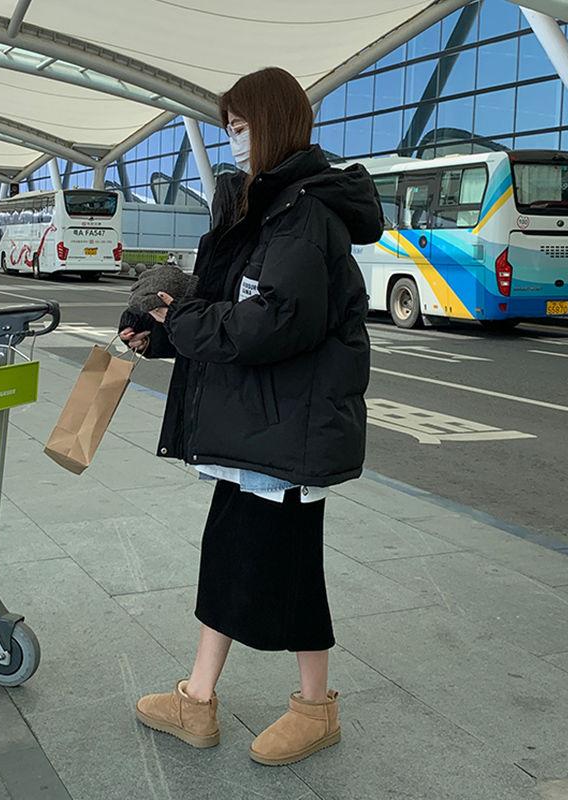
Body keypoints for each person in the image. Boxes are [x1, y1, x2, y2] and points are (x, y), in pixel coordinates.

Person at [120, 67, 382, 766]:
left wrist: (185, 320)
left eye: (240, 128)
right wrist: (165, 334)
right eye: (227, 129)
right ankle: (202, 699)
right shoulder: (268, 207)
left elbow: (275, 321)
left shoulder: (303, 215)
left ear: (271, 123)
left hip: (286, 428)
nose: (233, 141)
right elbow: (227, 304)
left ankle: (308, 709)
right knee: (238, 558)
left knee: (278, 570)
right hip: (263, 425)